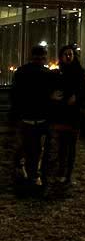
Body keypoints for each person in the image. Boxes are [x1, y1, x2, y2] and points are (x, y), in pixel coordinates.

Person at [9, 45, 53, 195]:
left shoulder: (21, 72)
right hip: (41, 118)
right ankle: (34, 177)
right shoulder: (47, 74)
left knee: (27, 148)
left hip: (27, 117)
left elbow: (14, 96)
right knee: (37, 151)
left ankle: (25, 175)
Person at [49, 45, 85, 187]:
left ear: (74, 56)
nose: (68, 56)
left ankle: (67, 174)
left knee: (71, 146)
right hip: (61, 114)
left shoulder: (79, 73)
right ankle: (61, 173)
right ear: (61, 57)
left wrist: (77, 97)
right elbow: (53, 91)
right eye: (65, 54)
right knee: (62, 145)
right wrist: (52, 96)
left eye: (70, 54)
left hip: (74, 114)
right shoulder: (58, 73)